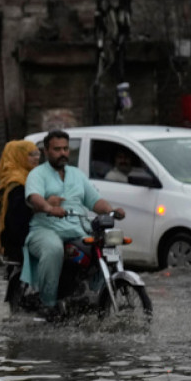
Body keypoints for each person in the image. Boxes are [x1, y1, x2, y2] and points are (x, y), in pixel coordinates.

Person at [22, 130, 125, 319]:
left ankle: (97, 295)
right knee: (53, 249)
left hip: (78, 229)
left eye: (66, 149)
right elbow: (34, 197)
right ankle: (48, 303)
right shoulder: (37, 174)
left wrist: (111, 210)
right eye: (57, 149)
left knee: (108, 245)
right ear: (46, 151)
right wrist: (48, 207)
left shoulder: (77, 175)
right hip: (46, 230)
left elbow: (95, 201)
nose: (63, 153)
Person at [0, 140, 41, 263]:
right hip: (20, 244)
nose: (36, 158)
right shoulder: (17, 183)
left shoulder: (28, 177)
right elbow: (18, 220)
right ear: (19, 156)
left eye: (37, 154)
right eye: (31, 154)